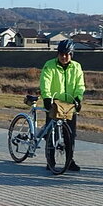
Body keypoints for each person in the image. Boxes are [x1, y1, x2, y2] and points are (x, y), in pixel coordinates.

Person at [39, 39, 85, 172]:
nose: (64, 57)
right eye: (61, 54)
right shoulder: (50, 65)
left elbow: (80, 85)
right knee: (52, 133)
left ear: (71, 54)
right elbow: (45, 82)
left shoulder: (76, 67)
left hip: (69, 105)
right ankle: (50, 160)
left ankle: (69, 161)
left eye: (67, 54)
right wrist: (47, 97)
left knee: (70, 134)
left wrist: (78, 98)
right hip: (54, 103)